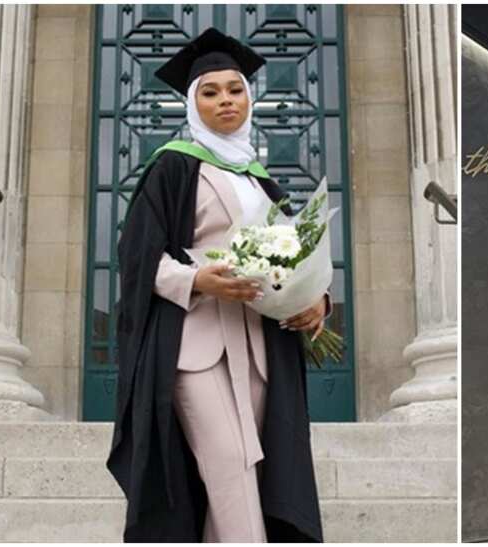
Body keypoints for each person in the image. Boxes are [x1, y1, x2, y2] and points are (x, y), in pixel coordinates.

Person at [107, 27, 329, 542]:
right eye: (210, 92)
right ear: (193, 102)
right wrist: (196, 278)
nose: (225, 100)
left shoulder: (260, 178)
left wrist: (317, 298)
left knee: (245, 473)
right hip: (193, 343)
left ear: (249, 97)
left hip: (257, 346)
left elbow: (294, 255)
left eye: (235, 90)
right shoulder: (173, 167)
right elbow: (137, 257)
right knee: (228, 463)